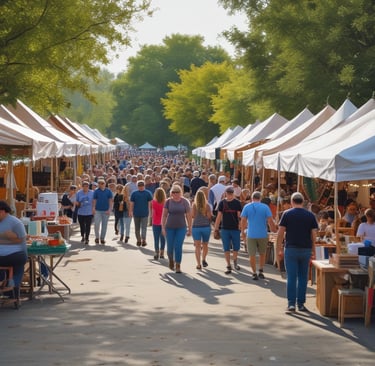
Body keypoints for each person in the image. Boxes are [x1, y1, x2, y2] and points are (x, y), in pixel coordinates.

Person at [276, 192, 318, 313]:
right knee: (303, 277)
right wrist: (314, 251)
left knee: (292, 277)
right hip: (305, 249)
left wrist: (279, 248)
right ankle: (301, 303)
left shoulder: (287, 214)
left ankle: (291, 304)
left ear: (292, 202)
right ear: (303, 202)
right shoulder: (310, 215)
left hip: (291, 249)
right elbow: (313, 235)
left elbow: (280, 233)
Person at [241, 191, 277, 280]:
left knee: (251, 254)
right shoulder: (265, 207)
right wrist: (274, 230)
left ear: (252, 198)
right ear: (260, 198)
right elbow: (270, 221)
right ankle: (261, 270)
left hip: (251, 233)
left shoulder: (247, 207)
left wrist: (242, 232)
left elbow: (243, 221)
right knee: (262, 253)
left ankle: (254, 272)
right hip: (262, 234)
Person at [0, 200, 27, 303]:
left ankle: (8, 287)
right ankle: (13, 286)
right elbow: (23, 239)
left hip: (9, 256)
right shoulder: (16, 222)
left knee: (17, 264)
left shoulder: (14, 222)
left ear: (2, 211)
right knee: (19, 265)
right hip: (15, 255)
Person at [161, 184, 192, 273]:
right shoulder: (168, 202)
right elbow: (164, 215)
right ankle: (171, 260)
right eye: (173, 192)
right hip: (169, 227)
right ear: (171, 193)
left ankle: (178, 265)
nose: (175, 194)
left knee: (178, 246)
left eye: (177, 192)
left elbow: (189, 216)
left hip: (181, 227)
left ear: (180, 193)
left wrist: (190, 228)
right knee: (170, 247)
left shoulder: (185, 202)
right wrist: (163, 227)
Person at [214, 186, 242, 274]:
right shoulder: (222, 203)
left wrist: (240, 226)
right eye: (228, 193)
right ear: (225, 193)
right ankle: (228, 265)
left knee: (236, 247)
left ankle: (235, 262)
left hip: (235, 228)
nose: (229, 195)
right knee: (226, 248)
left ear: (233, 193)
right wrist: (216, 228)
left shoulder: (237, 203)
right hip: (225, 228)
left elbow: (239, 216)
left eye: (231, 193)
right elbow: (219, 216)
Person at [192, 189, 212, 269]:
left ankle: (198, 264)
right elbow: (209, 216)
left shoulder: (194, 205)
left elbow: (193, 215)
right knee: (205, 244)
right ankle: (204, 259)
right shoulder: (207, 205)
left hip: (196, 227)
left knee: (197, 246)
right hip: (206, 227)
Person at [129, 180, 153, 246]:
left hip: (145, 213)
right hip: (136, 213)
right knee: (137, 228)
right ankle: (138, 240)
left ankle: (144, 240)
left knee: (144, 227)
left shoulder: (148, 193)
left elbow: (150, 204)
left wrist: (150, 212)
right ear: (137, 186)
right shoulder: (134, 193)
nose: (141, 187)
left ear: (144, 185)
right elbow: (131, 203)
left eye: (142, 185)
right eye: (139, 185)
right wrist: (130, 211)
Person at [93, 178, 113, 245]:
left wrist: (110, 209)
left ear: (105, 184)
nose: (100, 185)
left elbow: (110, 201)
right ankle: (97, 237)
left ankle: (102, 238)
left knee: (104, 225)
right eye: (99, 183)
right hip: (98, 210)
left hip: (106, 210)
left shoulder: (108, 191)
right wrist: (93, 208)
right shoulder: (96, 191)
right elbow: (94, 200)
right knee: (96, 224)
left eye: (102, 183)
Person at [151, 187, 166, 260]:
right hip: (164, 222)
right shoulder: (165, 202)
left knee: (156, 238)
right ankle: (162, 252)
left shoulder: (154, 202)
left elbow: (153, 212)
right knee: (162, 238)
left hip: (156, 222)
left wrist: (151, 220)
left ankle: (156, 252)